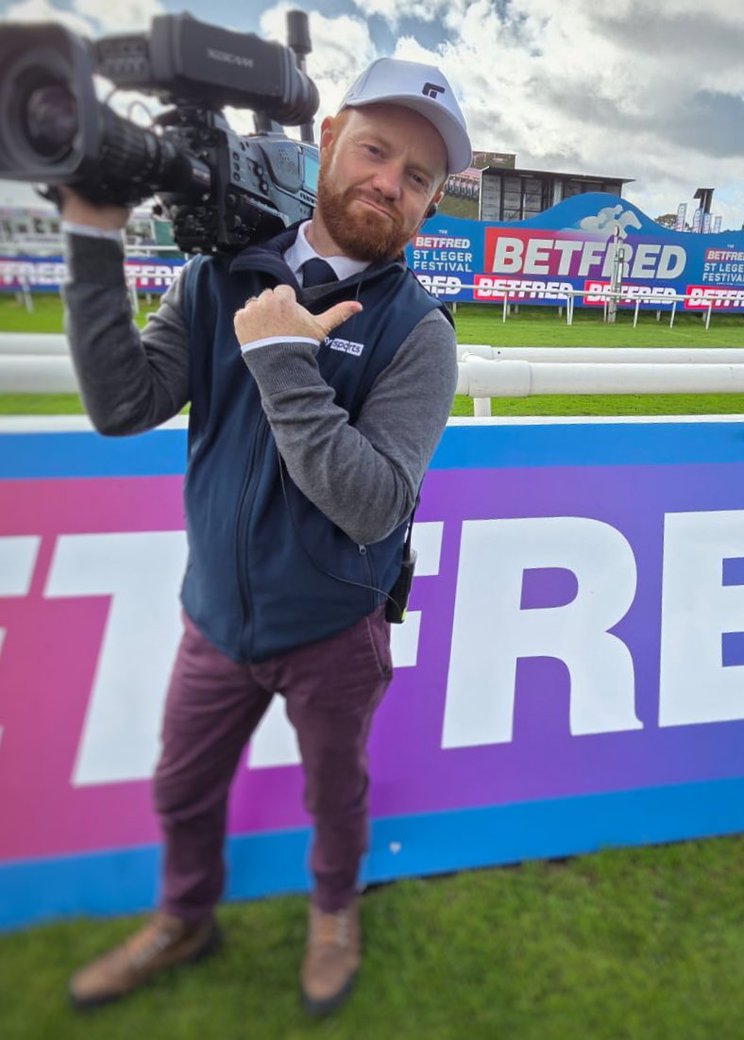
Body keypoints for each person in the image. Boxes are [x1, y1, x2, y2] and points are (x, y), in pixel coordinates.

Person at [60, 58, 471, 1017]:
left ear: (430, 202)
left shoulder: (419, 332)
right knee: (180, 789)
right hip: (215, 617)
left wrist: (284, 362)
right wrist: (90, 237)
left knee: (335, 795)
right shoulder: (218, 276)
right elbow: (123, 405)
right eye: (375, 151)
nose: (389, 183)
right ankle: (184, 918)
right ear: (328, 139)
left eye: (417, 176)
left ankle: (333, 915)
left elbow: (373, 505)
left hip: (334, 631)